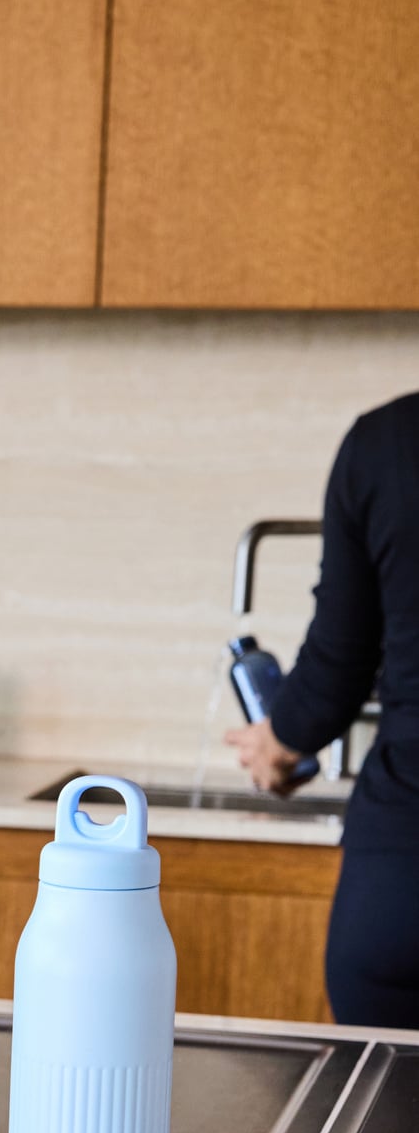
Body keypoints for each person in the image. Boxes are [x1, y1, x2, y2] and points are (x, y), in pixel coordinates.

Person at [225, 392, 419, 1027]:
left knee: (389, 1093)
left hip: (402, 875)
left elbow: (341, 658)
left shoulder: (387, 441)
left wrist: (279, 739)